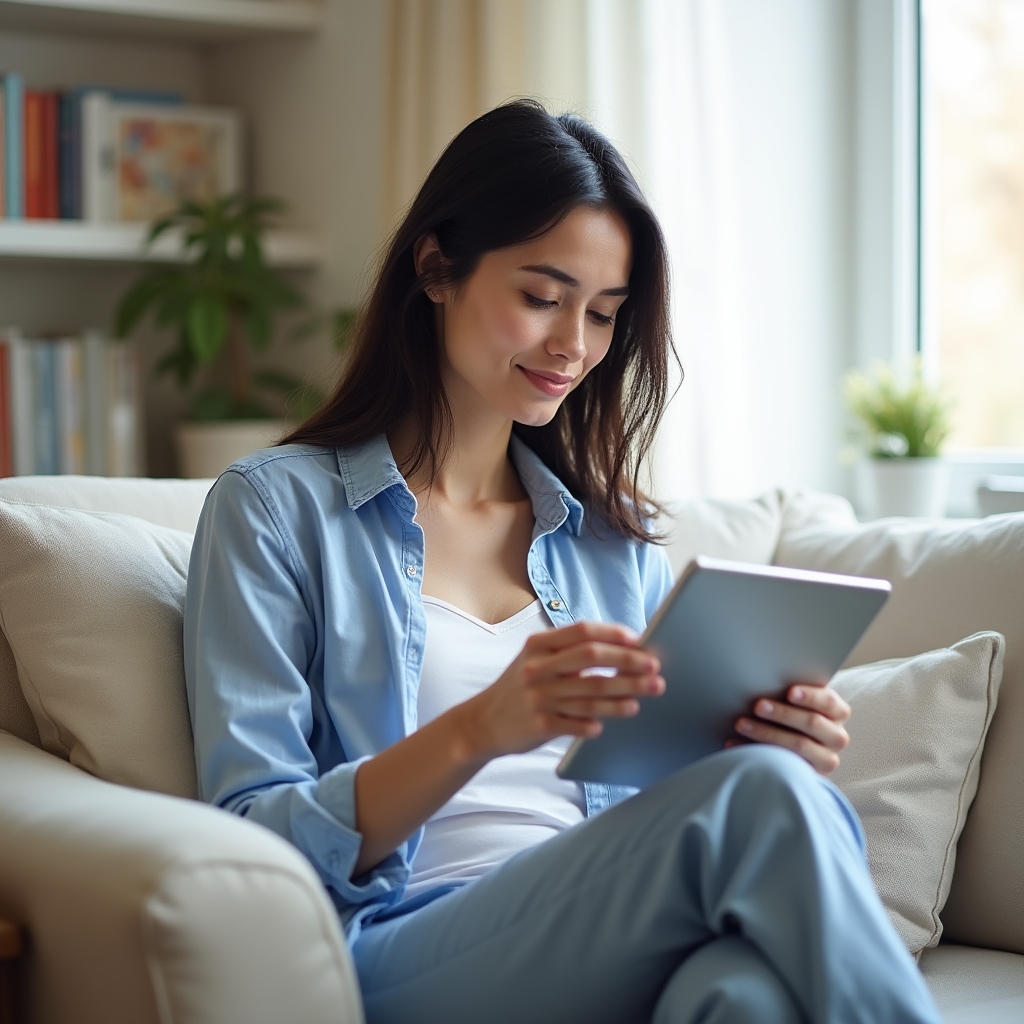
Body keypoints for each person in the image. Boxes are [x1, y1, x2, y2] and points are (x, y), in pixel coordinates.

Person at [184, 100, 942, 1024]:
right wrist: (476, 730)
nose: (573, 347)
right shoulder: (274, 510)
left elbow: (664, 819)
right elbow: (251, 840)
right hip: (396, 952)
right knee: (761, 804)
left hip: (605, 934)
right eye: (542, 298)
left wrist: (764, 747)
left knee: (740, 995)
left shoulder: (613, 548)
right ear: (435, 267)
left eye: (604, 315)